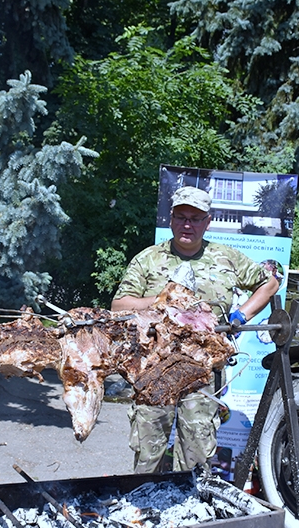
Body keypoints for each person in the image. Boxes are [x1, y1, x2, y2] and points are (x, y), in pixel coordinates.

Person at [111, 186, 279, 473]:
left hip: (204, 369)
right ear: (171, 219)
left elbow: (270, 283)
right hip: (155, 369)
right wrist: (162, 300)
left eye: (196, 218)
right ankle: (142, 507)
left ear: (208, 222)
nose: (188, 224)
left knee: (197, 453)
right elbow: (118, 306)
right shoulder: (148, 259)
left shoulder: (225, 257)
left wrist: (240, 315)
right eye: (181, 216)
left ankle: (190, 507)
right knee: (148, 450)